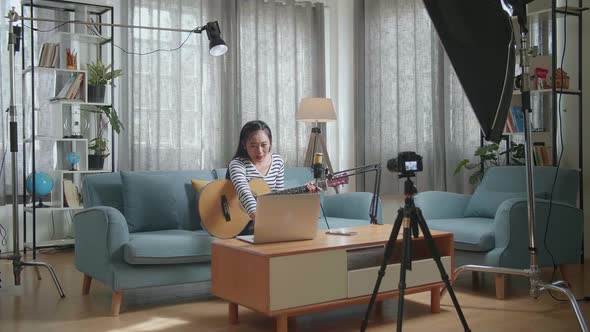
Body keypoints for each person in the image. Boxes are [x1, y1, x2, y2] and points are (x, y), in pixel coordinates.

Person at [227, 120, 319, 234]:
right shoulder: (237, 164)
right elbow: (244, 192)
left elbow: (278, 197)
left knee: (299, 222)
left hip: (264, 216)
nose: (259, 151)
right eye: (253, 146)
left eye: (264, 145)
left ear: (270, 142)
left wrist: (304, 191)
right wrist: (261, 219)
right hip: (239, 220)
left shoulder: (277, 161)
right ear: (244, 145)